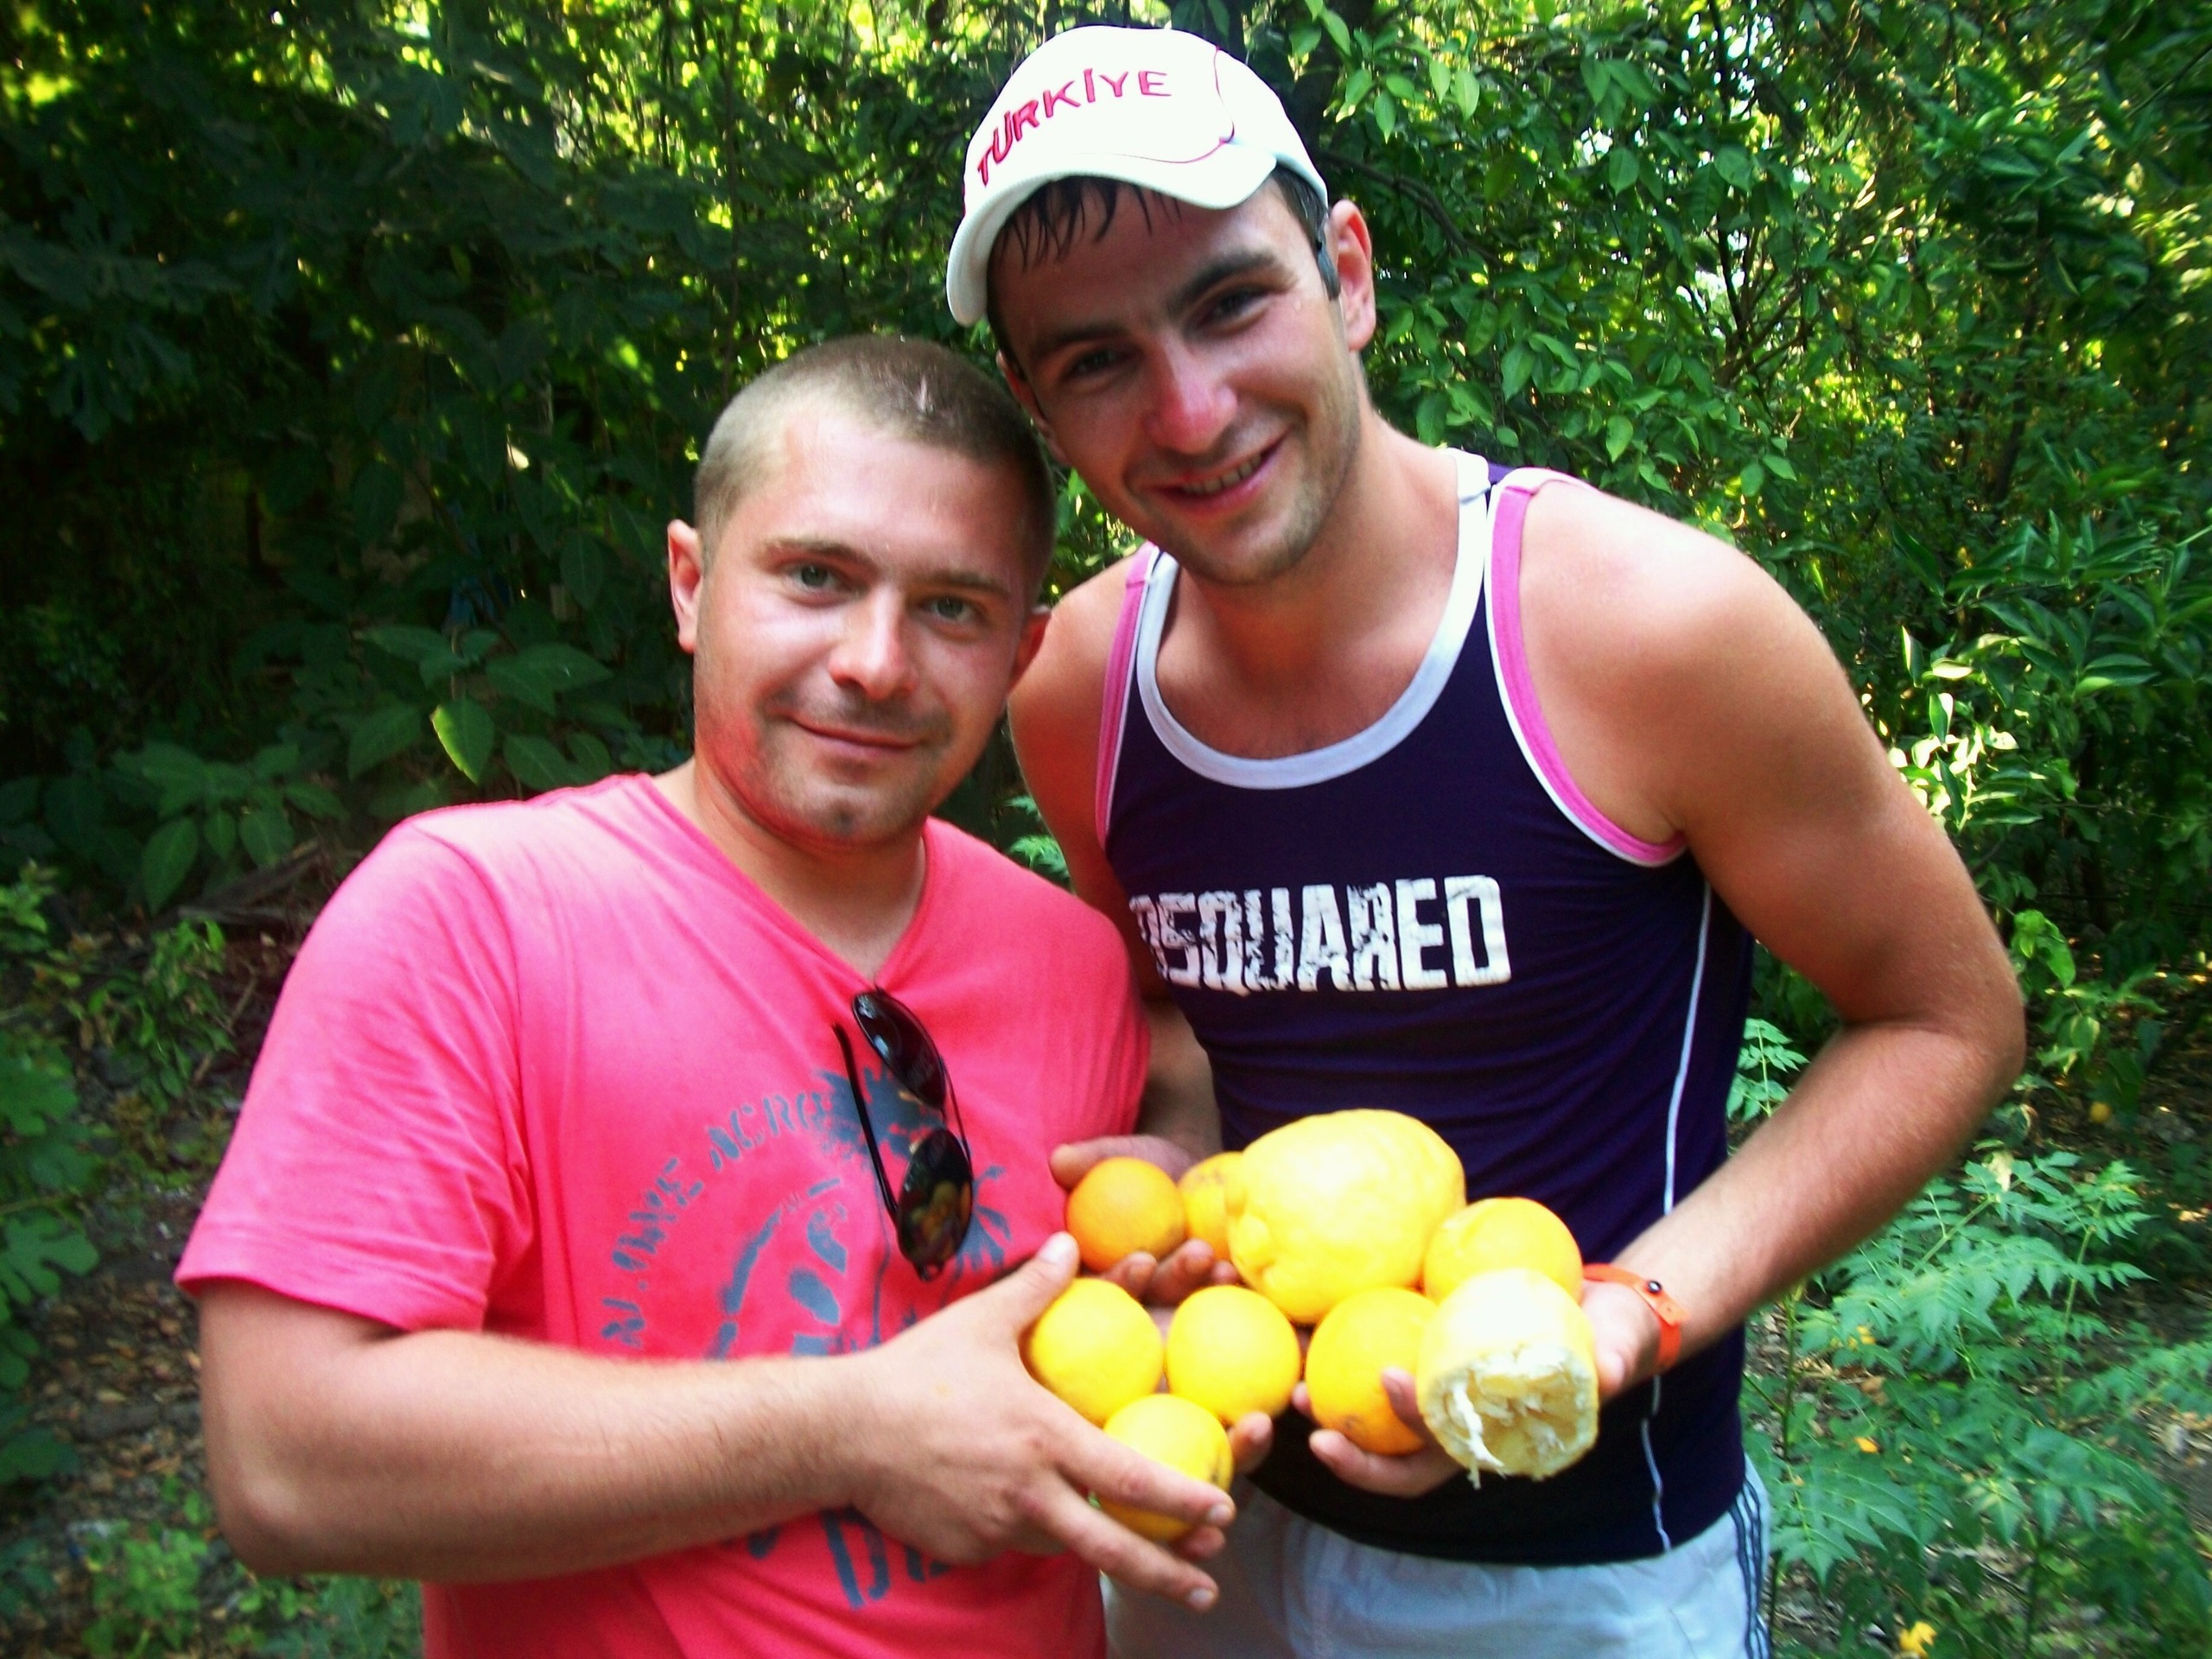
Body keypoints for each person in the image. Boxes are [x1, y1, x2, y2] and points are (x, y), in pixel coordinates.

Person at [946, 26, 2026, 1658]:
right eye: (1096, 362)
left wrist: (1637, 1311)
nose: (1189, 409)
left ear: (1347, 274)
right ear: (1038, 403)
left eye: (1231, 302)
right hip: (1209, 1517)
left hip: (1581, 1571)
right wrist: (1176, 1152)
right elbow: (1173, 1006)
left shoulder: (1640, 631)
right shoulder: (1078, 686)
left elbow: (1948, 1019)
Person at [177, 335, 1243, 1659]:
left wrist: (1181, 1193)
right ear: (691, 583)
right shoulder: (474, 917)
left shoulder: (1071, 963)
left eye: (953, 608)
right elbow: (286, 1464)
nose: (875, 662)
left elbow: (1163, 1135)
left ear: (1024, 650)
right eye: (815, 577)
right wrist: (852, 1429)